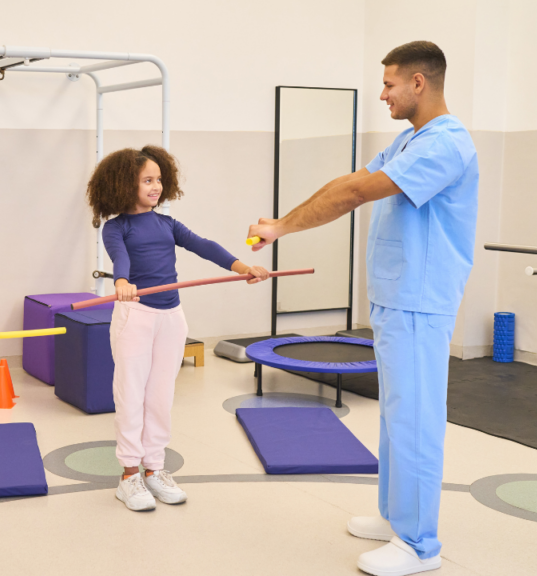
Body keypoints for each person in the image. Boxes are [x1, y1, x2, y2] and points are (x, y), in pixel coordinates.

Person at [247, 41, 477, 576]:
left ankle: (420, 545)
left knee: (416, 420)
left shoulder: (446, 144)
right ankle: (398, 516)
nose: (382, 94)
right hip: (397, 298)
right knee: (398, 414)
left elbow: (353, 193)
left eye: (390, 84)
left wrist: (281, 228)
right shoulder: (407, 140)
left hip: (421, 301)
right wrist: (285, 218)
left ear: (419, 83)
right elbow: (347, 181)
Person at [88, 146, 270, 512]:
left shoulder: (167, 224)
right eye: (147, 181)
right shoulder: (116, 227)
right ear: (126, 184)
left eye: (158, 179)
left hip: (172, 317)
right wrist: (122, 281)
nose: (156, 187)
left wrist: (241, 267)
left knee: (160, 396)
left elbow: (203, 246)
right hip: (135, 315)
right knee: (131, 395)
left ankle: (154, 468)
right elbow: (119, 258)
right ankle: (128, 476)